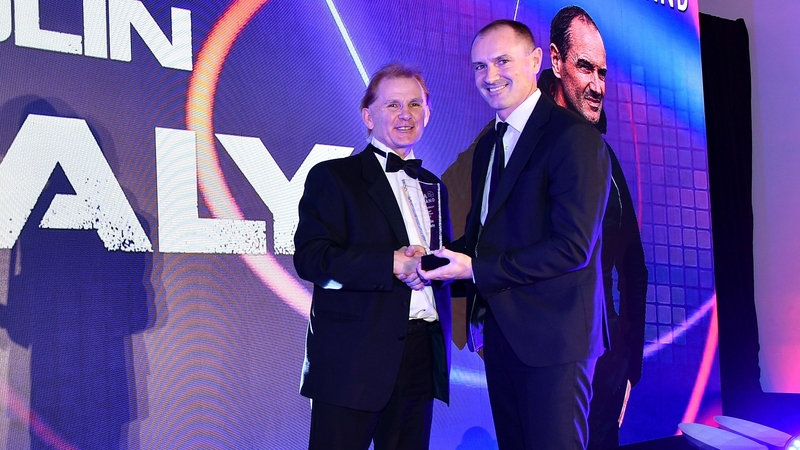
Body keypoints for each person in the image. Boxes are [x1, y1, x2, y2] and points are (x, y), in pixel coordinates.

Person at [420, 19, 610, 449]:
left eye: (502, 61)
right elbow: (487, 236)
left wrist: (476, 269)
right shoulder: (490, 144)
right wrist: (430, 257)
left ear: (537, 61)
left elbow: (572, 248)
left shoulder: (574, 138)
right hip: (503, 338)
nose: (490, 76)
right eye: (479, 66)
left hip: (556, 344)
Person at [293, 63, 451, 450]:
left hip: (419, 355)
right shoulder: (333, 177)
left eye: (415, 104)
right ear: (368, 115)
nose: (405, 115)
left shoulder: (434, 185)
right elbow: (312, 259)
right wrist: (390, 263)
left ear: (427, 113)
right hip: (353, 361)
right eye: (393, 105)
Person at [543, 6, 649, 448]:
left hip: (605, 371)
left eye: (602, 73)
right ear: (556, 61)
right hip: (545, 365)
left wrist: (630, 367)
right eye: (585, 67)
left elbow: (635, 269)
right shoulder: (525, 149)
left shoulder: (608, 160)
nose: (596, 85)